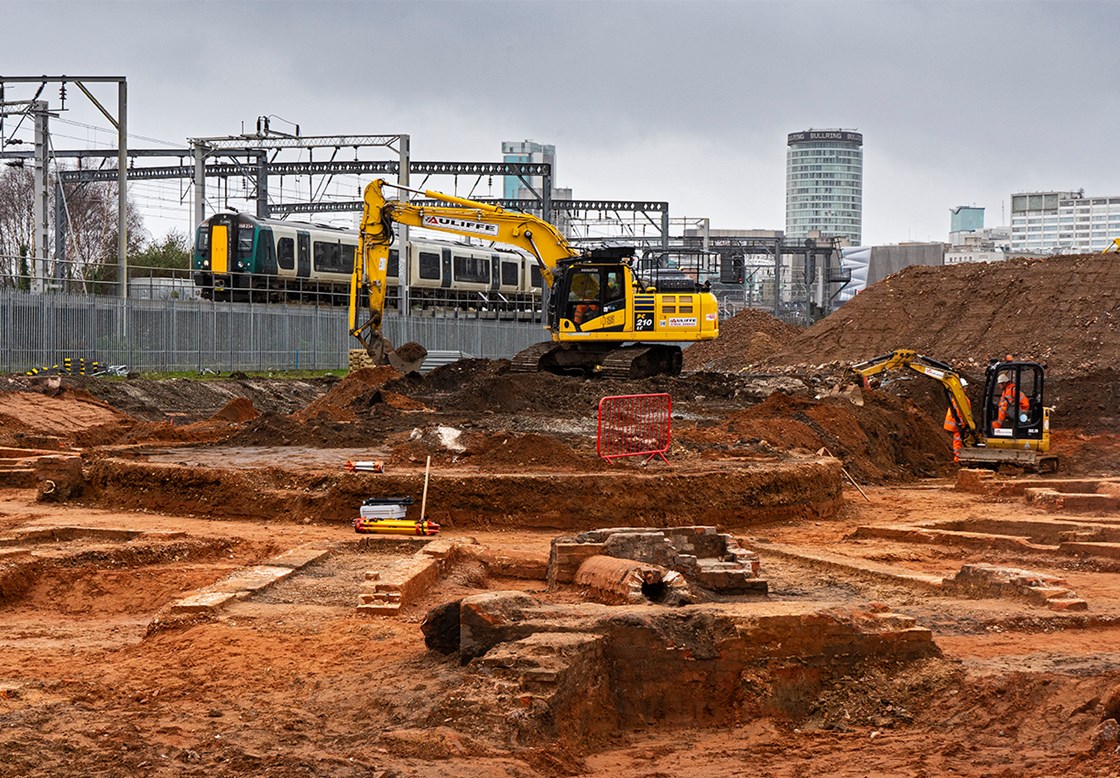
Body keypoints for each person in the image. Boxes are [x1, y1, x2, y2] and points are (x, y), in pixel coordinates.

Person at [943, 380, 971, 463]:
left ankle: (958, 456)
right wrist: (963, 424)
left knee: (959, 440)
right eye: (965, 387)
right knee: (958, 440)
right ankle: (957, 458)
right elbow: (959, 413)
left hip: (958, 423)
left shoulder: (960, 398)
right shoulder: (959, 398)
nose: (966, 389)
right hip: (956, 424)